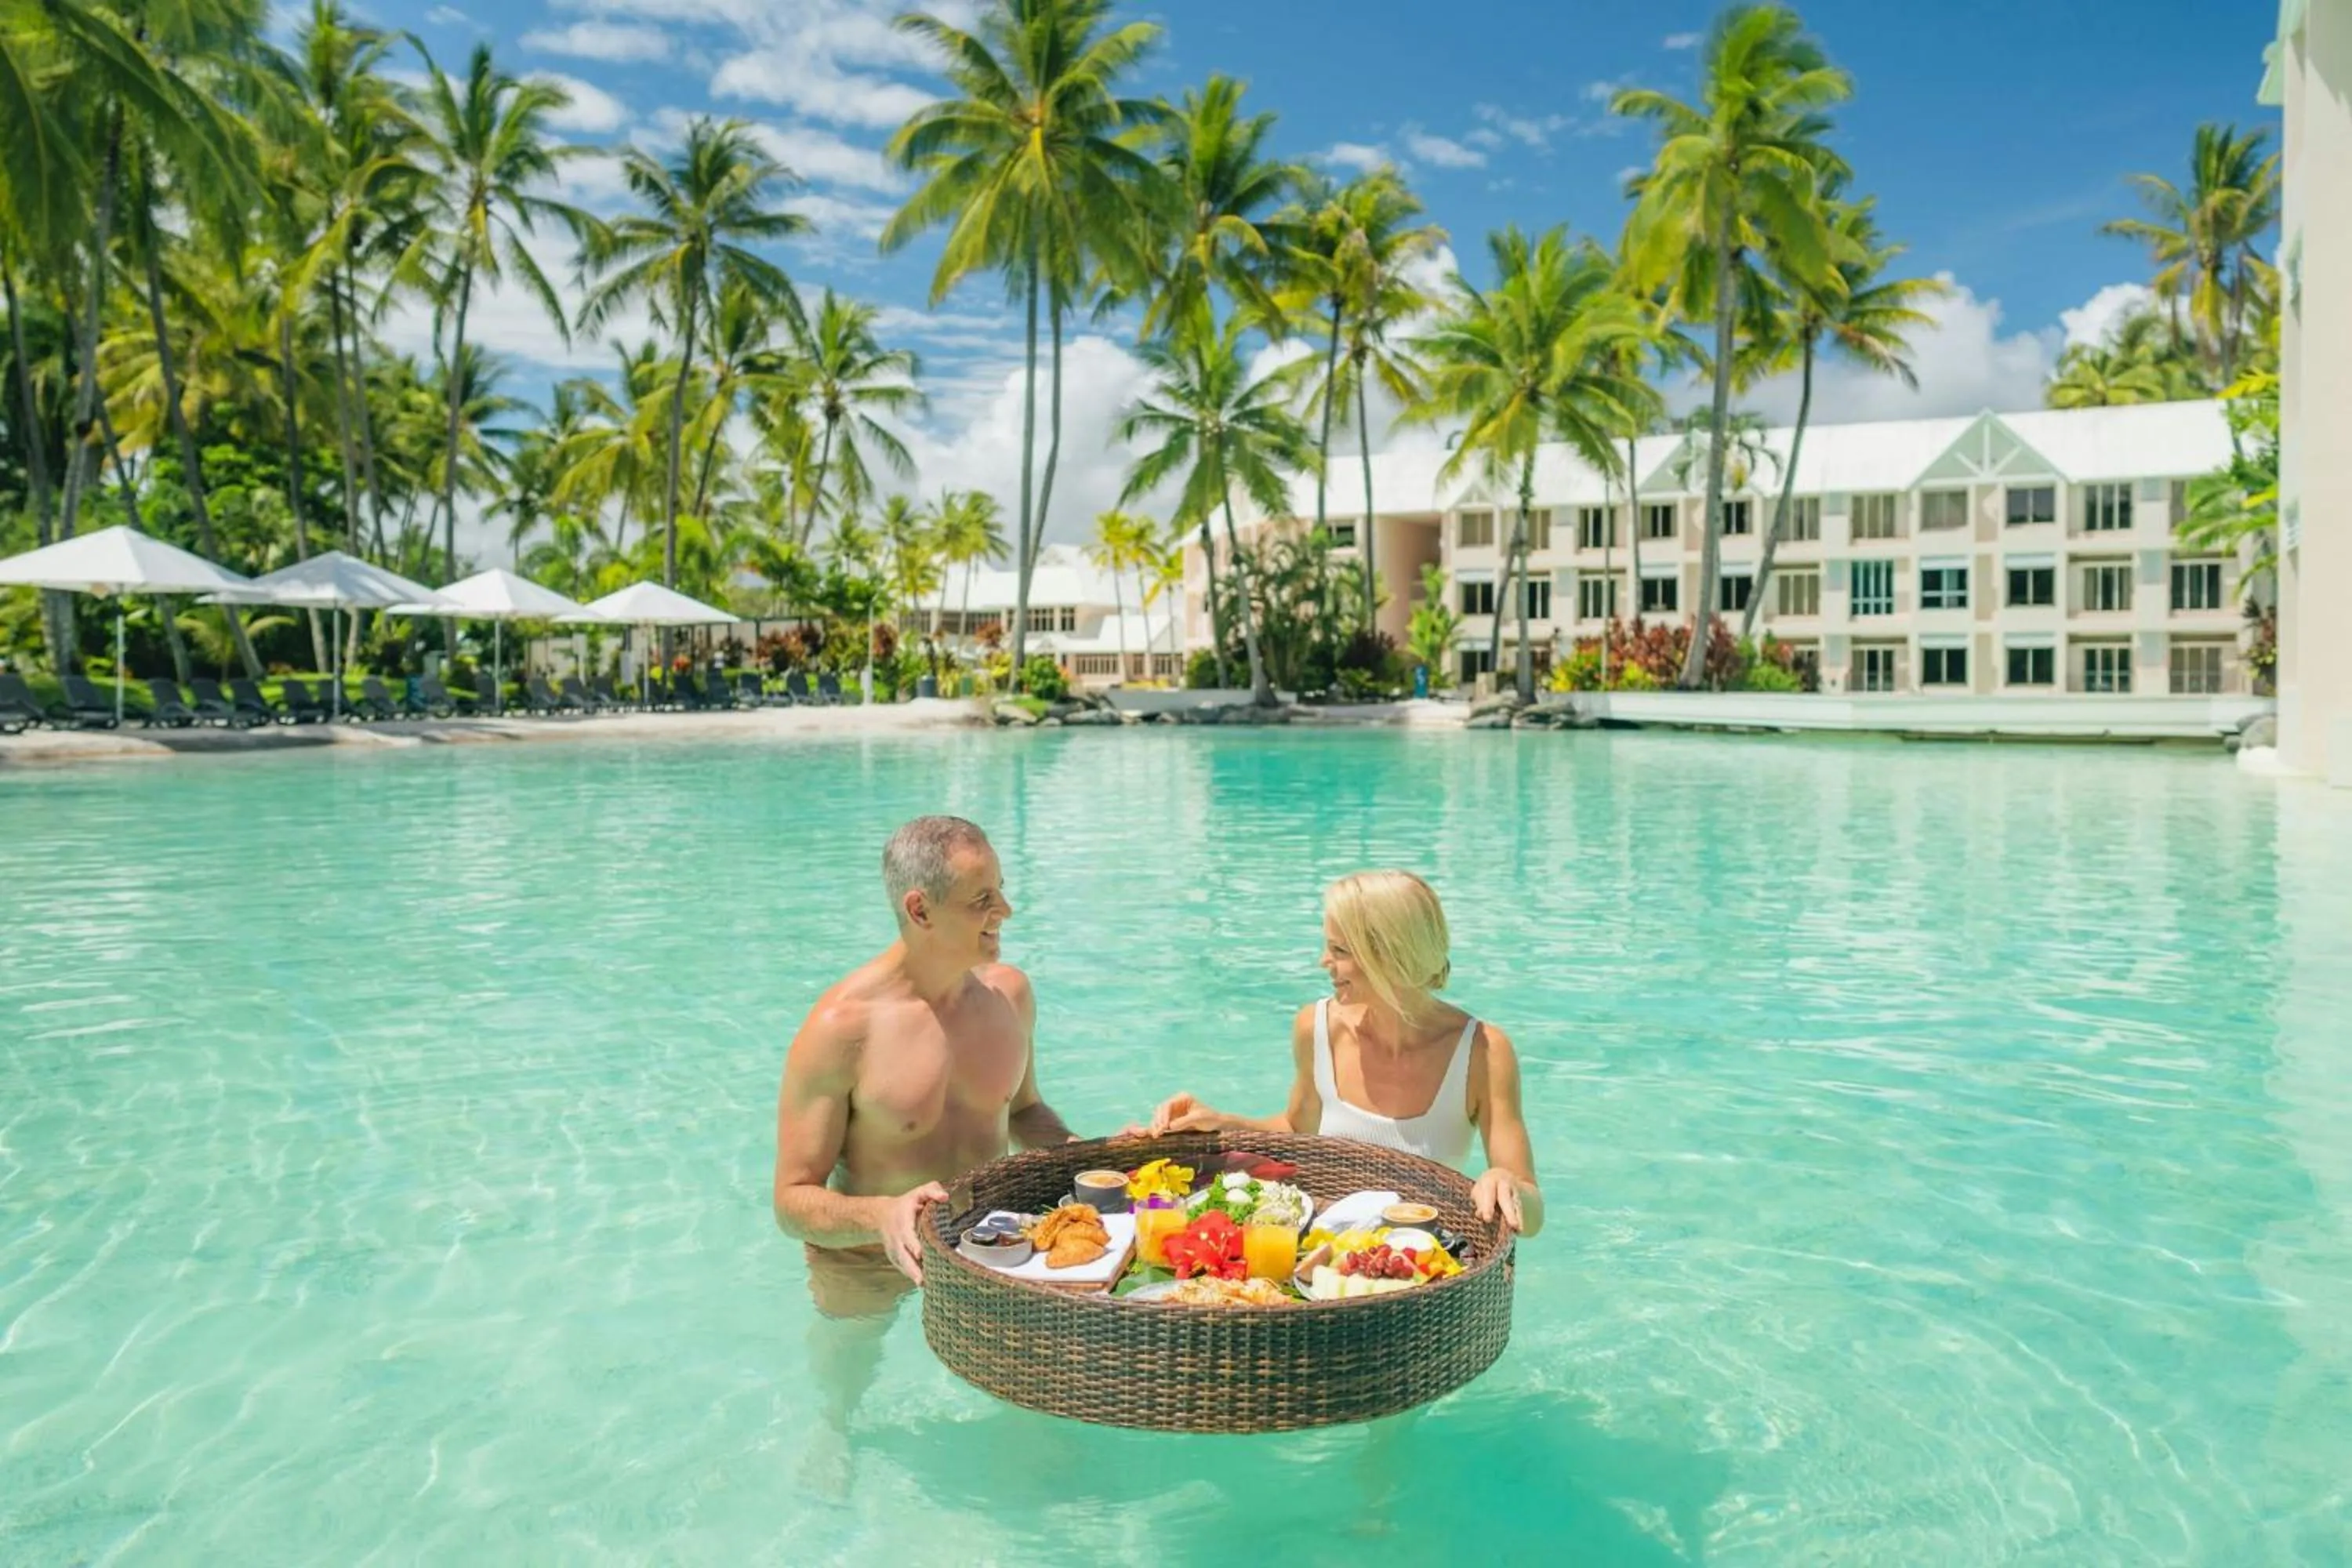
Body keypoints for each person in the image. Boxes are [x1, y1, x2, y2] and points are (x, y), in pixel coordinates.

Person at [773, 815, 1079, 1468]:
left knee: (1025, 1404)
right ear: (920, 909)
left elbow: (1025, 1112)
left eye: (1000, 889)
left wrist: (1096, 1161)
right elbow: (791, 1200)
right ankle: (835, 1432)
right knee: (848, 1373)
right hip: (866, 1257)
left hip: (986, 1243)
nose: (1006, 910)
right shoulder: (843, 1029)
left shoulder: (1009, 997)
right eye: (982, 900)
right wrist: (882, 1215)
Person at [1147, 869, 1542, 1236]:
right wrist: (1223, 1122)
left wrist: (1507, 1183)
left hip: (1424, 1273)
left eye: (1339, 949)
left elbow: (1533, 1212)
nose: (1324, 962)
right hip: (1325, 1261)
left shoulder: (1483, 1052)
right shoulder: (1316, 1028)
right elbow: (1299, 1130)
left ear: (1390, 956)